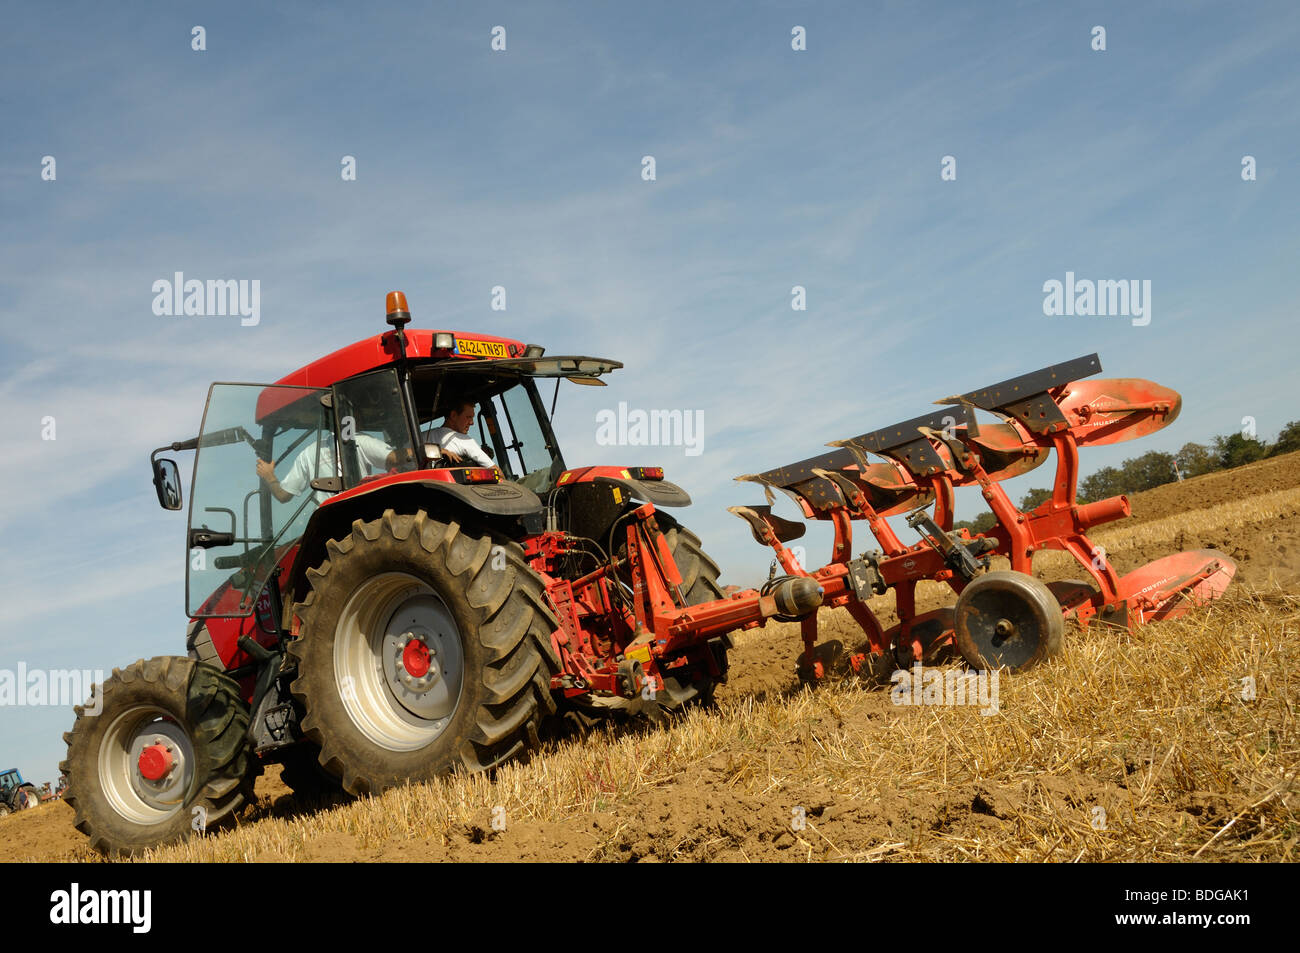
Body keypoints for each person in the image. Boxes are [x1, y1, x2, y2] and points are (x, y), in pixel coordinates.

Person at [256, 431, 395, 503]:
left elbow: (283, 495)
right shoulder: (360, 441)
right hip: (361, 517)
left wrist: (269, 476)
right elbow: (394, 459)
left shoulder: (309, 453)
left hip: (327, 525)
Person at [424, 400, 493, 467]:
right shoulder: (465, 440)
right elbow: (495, 470)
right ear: (453, 415)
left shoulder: (420, 437)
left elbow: (413, 452)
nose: (472, 423)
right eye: (468, 417)